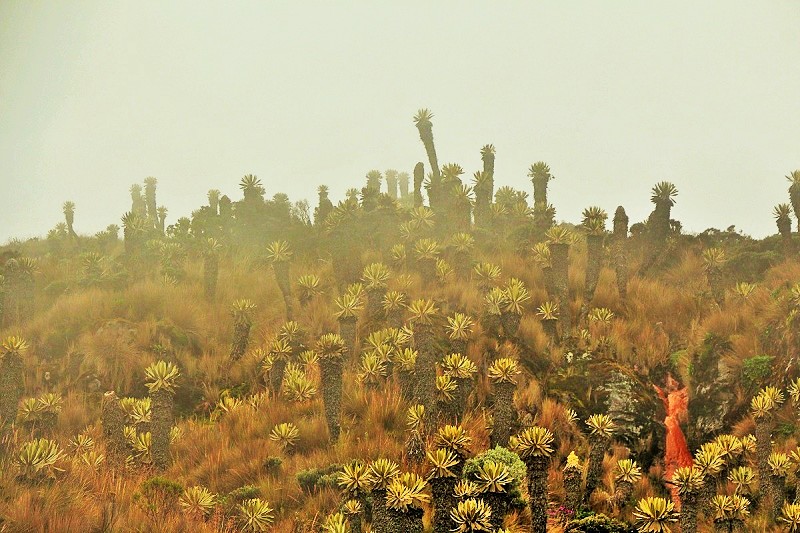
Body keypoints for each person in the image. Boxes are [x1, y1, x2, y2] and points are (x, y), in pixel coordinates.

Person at [654, 373, 693, 506]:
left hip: (676, 435)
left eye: (675, 378)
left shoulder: (681, 394)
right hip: (672, 433)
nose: (673, 382)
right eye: (670, 379)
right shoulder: (668, 397)